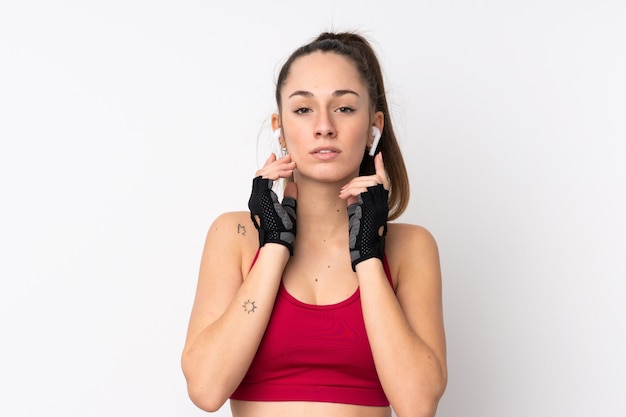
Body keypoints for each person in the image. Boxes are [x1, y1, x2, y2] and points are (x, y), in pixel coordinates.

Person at [181, 31, 447, 417]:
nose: (324, 126)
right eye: (304, 109)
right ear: (280, 127)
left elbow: (418, 405)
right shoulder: (234, 235)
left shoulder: (411, 247)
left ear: (374, 127)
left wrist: (369, 255)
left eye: (344, 109)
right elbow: (206, 389)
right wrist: (273, 245)